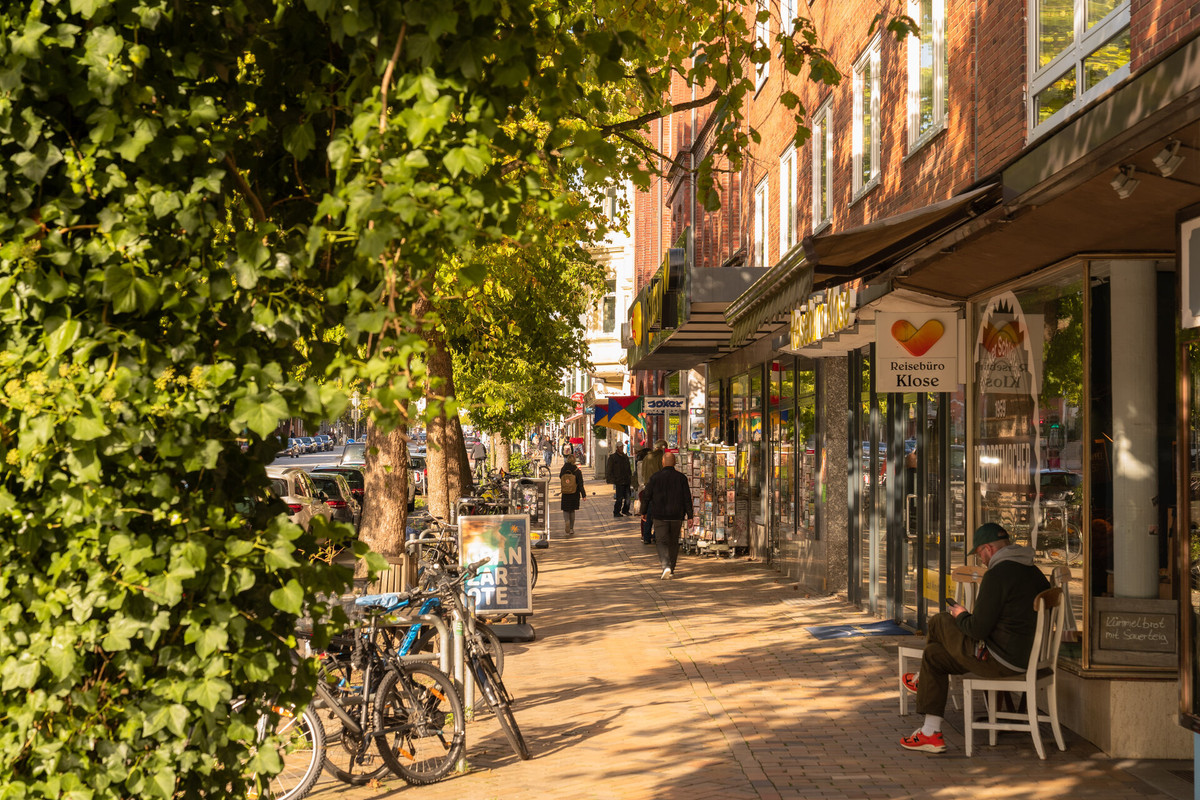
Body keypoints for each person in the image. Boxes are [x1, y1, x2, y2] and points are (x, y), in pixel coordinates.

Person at [900, 522, 1051, 754]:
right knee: (933, 656)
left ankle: (922, 682)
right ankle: (930, 732)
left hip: (1001, 660)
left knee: (941, 620)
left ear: (989, 549)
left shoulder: (997, 575)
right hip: (1029, 656)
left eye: (980, 553)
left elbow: (977, 629)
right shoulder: (1034, 572)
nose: (980, 560)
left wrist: (961, 615)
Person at [641, 451, 693, 579]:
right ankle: (672, 568)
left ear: (662, 462)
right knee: (673, 542)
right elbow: (687, 498)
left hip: (659, 515)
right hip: (677, 515)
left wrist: (643, 511)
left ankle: (666, 566)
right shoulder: (681, 478)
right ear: (675, 463)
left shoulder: (654, 478)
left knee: (661, 541)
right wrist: (690, 515)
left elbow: (646, 496)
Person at [637, 439, 668, 545]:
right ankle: (655, 536)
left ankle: (646, 537)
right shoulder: (661, 457)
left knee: (649, 513)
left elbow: (643, 473)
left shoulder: (646, 457)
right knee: (659, 514)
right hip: (659, 488)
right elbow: (663, 472)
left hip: (647, 487)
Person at [559, 454, 586, 536]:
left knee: (565, 509)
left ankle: (566, 521)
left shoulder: (563, 469)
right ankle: (571, 528)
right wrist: (583, 495)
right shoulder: (577, 470)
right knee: (572, 510)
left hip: (565, 492)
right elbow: (580, 484)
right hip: (574, 492)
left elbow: (560, 477)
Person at [605, 443, 634, 518]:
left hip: (626, 480)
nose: (621, 448)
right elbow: (609, 469)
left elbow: (628, 468)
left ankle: (625, 510)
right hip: (619, 480)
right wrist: (610, 479)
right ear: (617, 447)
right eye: (620, 447)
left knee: (628, 497)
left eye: (622, 447)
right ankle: (616, 511)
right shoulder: (613, 457)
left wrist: (630, 477)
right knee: (619, 498)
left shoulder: (625, 457)